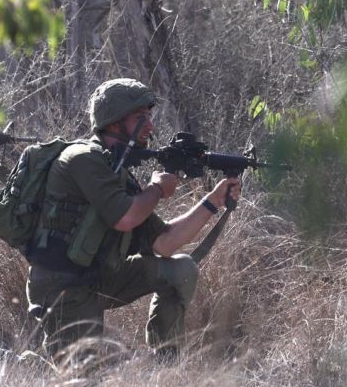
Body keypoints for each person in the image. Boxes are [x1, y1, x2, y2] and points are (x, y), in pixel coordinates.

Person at [24, 78, 241, 361]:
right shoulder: (82, 158)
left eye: (149, 117)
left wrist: (213, 200)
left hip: (98, 278)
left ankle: (165, 360)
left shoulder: (118, 173)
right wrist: (158, 189)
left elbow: (164, 244)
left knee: (180, 270)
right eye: (141, 118)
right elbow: (125, 218)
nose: (150, 127)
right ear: (114, 123)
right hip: (62, 287)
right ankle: (12, 360)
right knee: (81, 382)